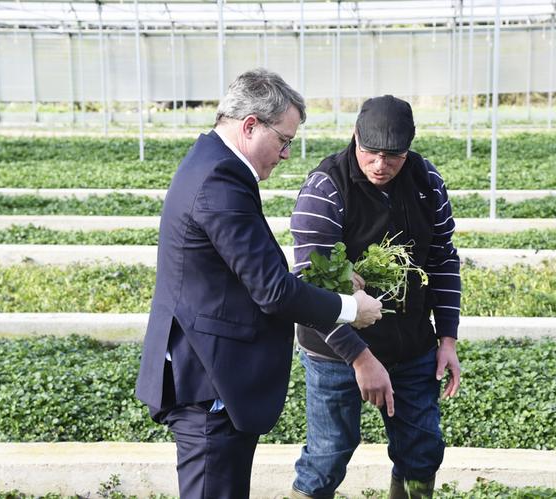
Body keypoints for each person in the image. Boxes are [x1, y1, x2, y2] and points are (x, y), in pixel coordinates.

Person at [134, 68, 383, 499]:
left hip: (210, 373)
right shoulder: (220, 179)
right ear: (250, 125)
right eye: (284, 140)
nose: (286, 154)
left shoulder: (212, 163)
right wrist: (350, 308)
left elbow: (246, 271)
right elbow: (271, 290)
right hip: (209, 382)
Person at [289, 95, 462, 499]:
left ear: (410, 147)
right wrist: (360, 358)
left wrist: (447, 338)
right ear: (354, 137)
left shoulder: (427, 182)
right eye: (370, 153)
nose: (380, 165)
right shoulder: (325, 188)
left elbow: (442, 260)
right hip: (334, 351)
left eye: (393, 155)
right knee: (328, 458)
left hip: (410, 345)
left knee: (422, 452)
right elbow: (312, 286)